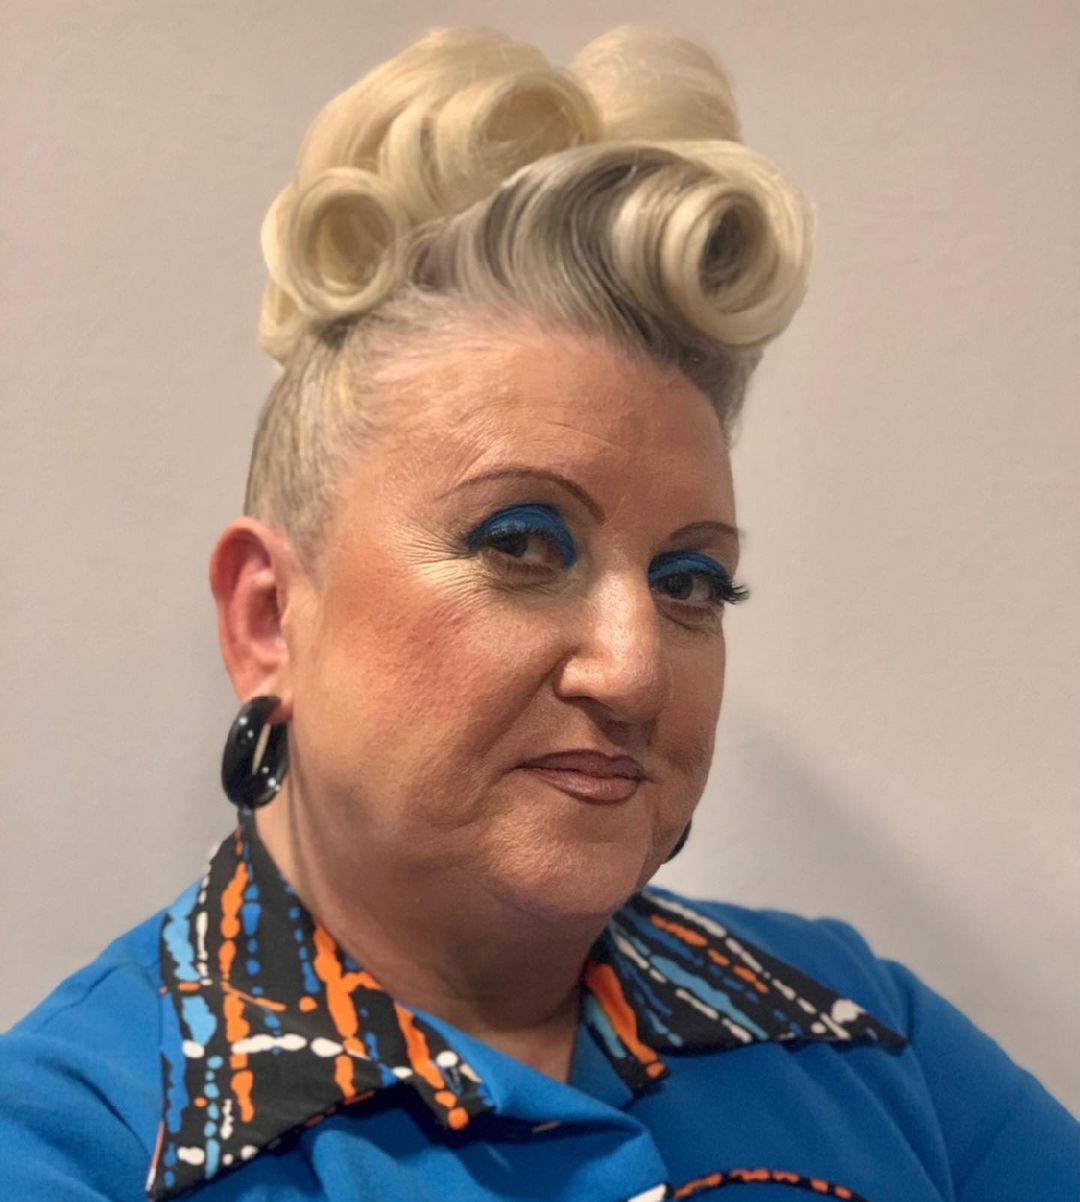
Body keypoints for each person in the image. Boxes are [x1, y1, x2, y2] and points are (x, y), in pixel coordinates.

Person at [1, 22, 1075, 1202]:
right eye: (520, 542)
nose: (635, 669)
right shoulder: (83, 1144)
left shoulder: (867, 1035)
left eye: (689, 580)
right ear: (269, 619)